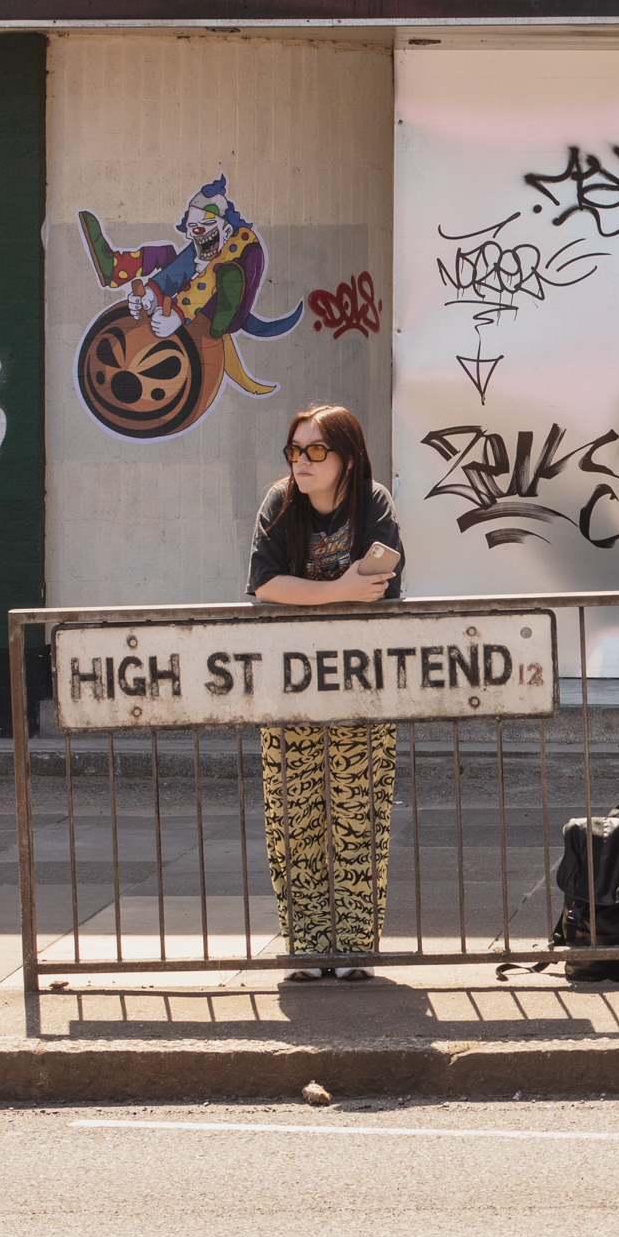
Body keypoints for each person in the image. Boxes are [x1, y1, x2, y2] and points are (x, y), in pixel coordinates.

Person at [246, 404, 404, 983]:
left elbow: (381, 586)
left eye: (316, 451)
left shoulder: (374, 503)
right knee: (295, 816)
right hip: (287, 684)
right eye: (295, 449)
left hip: (362, 683)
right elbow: (264, 583)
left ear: (346, 458)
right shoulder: (278, 503)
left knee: (359, 814)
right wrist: (339, 588)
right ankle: (308, 948)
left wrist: (311, 592)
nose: (302, 462)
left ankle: (356, 948)